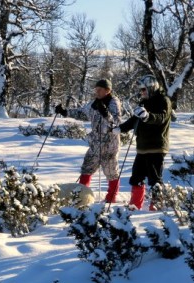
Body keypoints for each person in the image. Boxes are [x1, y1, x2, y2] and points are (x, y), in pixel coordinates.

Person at [55, 79, 122, 203]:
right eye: (96, 89)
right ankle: (80, 196)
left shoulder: (114, 102)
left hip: (110, 145)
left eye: (100, 89)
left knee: (111, 172)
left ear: (108, 90)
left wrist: (105, 113)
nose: (97, 92)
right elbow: (81, 113)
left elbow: (116, 122)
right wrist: (64, 112)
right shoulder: (93, 103)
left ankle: (111, 198)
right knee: (86, 168)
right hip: (95, 144)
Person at [112, 74, 172, 210]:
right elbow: (134, 120)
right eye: (141, 90)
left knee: (154, 179)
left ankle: (156, 206)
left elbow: (161, 117)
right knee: (136, 177)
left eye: (144, 89)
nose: (142, 92)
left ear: (152, 87)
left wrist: (147, 116)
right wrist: (120, 128)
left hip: (156, 146)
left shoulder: (163, 100)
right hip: (142, 147)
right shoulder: (143, 103)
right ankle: (134, 205)